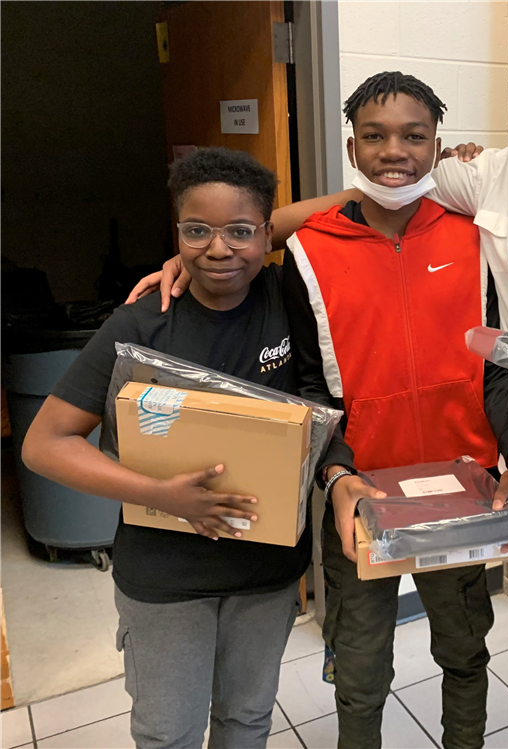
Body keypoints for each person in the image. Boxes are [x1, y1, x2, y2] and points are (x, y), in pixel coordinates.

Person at [131, 12, 508, 747]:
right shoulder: (394, 221)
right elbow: (371, 215)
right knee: (436, 658)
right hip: (449, 479)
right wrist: (225, 240)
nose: (395, 151)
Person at [127, 74, 508, 749]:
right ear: (351, 148)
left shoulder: (473, 237)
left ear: (439, 147)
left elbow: (495, 368)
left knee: (464, 651)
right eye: (373, 136)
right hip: (361, 492)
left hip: (463, 487)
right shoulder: (310, 252)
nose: (392, 150)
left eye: (412, 136)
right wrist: (337, 474)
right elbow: (307, 383)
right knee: (360, 664)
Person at [20, 148, 376, 748]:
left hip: (265, 572)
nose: (218, 249)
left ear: (268, 235)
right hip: (165, 577)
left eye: (241, 232)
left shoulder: (286, 299)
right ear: (176, 233)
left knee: (246, 720)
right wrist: (160, 495)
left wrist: (451, 175)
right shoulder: (141, 323)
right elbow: (44, 445)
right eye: (196, 231)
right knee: (169, 734)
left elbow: (355, 204)